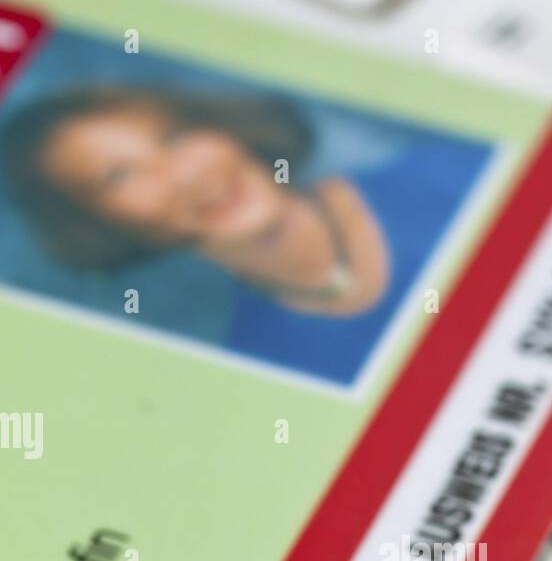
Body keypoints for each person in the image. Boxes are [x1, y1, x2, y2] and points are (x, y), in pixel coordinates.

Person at [0, 83, 490, 384]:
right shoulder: (271, 363)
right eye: (120, 176)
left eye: (173, 137)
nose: (184, 176)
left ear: (222, 128)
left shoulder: (460, 174)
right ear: (98, 226)